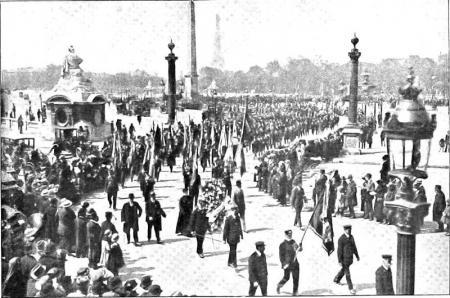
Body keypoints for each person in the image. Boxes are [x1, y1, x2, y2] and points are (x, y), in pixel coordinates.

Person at [334, 225, 359, 295]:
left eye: (350, 229)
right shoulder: (341, 239)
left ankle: (337, 279)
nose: (349, 231)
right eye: (347, 229)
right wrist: (339, 260)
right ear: (344, 230)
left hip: (350, 259)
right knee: (347, 274)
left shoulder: (351, 237)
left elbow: (354, 247)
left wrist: (357, 256)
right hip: (344, 259)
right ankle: (351, 288)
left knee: (344, 270)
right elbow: (339, 251)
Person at [276, 230, 301, 296]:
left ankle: (295, 293)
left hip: (295, 263)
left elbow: (298, 249)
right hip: (287, 264)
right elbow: (281, 256)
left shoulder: (293, 242)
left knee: (296, 278)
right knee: (286, 278)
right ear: (286, 235)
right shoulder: (282, 245)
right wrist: (284, 264)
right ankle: (279, 285)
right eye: (289, 234)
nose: (290, 235)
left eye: (291, 234)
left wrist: (300, 247)